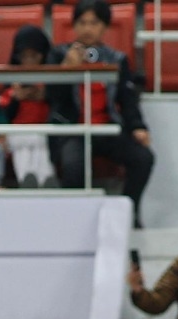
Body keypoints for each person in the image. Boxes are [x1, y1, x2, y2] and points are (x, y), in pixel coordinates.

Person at [51, 1, 155, 221]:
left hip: (107, 128)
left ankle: (128, 212)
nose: (88, 28)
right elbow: (53, 98)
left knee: (143, 158)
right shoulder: (59, 54)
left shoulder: (117, 59)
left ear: (105, 27)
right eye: (82, 23)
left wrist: (138, 127)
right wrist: (65, 70)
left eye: (94, 23)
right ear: (74, 26)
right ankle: (74, 218)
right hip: (73, 130)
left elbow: (127, 99)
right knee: (72, 165)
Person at [4, 26, 59, 188]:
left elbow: (61, 104)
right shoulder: (10, 81)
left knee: (40, 143)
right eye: (24, 56)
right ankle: (27, 179)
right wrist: (15, 98)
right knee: (22, 145)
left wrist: (45, 95)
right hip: (17, 131)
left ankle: (46, 179)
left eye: (34, 56)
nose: (29, 61)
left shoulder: (52, 81)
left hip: (44, 129)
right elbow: (5, 115)